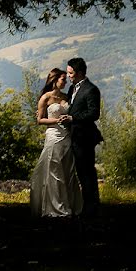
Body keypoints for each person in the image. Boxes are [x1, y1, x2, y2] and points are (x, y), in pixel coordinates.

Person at [29, 68, 83, 218]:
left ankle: (70, 205)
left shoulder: (67, 97)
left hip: (67, 136)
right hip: (53, 136)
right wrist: (56, 120)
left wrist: (70, 119)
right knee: (54, 171)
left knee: (68, 170)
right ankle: (56, 207)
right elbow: (40, 120)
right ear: (54, 80)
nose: (65, 82)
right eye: (62, 79)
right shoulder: (45, 98)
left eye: (66, 80)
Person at [63, 57, 104, 218]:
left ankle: (91, 207)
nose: (68, 76)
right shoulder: (72, 89)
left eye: (70, 73)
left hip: (84, 138)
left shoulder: (91, 89)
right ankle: (86, 206)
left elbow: (94, 114)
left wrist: (73, 119)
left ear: (79, 73)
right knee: (80, 173)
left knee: (87, 173)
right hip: (73, 137)